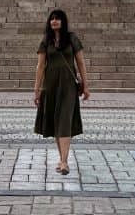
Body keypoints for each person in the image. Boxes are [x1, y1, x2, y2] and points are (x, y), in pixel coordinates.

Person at [33, 9, 90, 175]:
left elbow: (80, 63)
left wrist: (85, 85)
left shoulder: (72, 38)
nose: (54, 21)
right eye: (52, 19)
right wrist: (36, 90)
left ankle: (64, 162)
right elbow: (40, 66)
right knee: (56, 122)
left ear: (63, 21)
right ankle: (61, 158)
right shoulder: (46, 40)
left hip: (68, 87)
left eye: (57, 19)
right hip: (50, 86)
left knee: (64, 120)